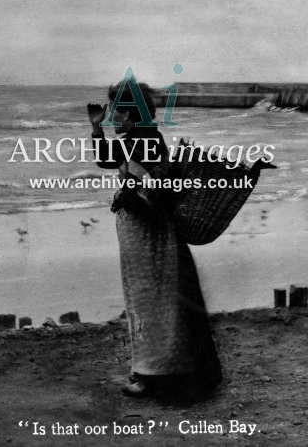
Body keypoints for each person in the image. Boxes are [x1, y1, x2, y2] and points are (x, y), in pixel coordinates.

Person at [88, 81, 222, 398]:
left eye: (117, 111)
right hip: (144, 230)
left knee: (149, 300)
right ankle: (165, 372)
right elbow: (108, 160)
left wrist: (127, 197)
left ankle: (154, 376)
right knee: (153, 299)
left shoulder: (143, 140)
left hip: (147, 232)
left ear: (132, 113)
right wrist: (96, 130)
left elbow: (155, 192)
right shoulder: (140, 138)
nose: (112, 118)